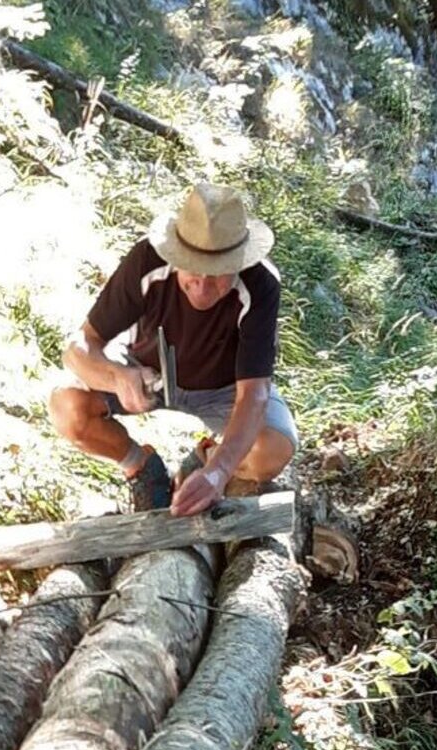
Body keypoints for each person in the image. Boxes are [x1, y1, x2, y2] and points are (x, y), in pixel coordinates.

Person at [49, 182, 297, 517]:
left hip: (224, 390)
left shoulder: (261, 284)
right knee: (67, 408)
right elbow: (78, 348)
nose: (204, 286)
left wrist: (219, 470)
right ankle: (144, 471)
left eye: (218, 273)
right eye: (194, 267)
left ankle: (202, 460)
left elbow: (254, 393)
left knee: (272, 450)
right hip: (146, 372)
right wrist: (117, 376)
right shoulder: (147, 260)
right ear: (176, 255)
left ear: (239, 262)